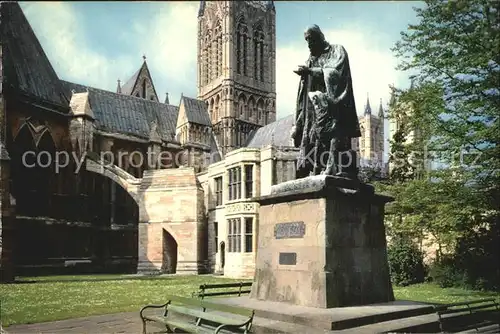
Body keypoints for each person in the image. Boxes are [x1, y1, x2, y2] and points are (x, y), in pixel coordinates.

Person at [292, 24, 361, 179]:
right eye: (306, 40)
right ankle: (316, 170)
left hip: (333, 106)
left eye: (311, 39)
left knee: (333, 135)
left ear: (320, 37)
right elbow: (303, 91)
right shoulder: (311, 59)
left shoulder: (337, 50)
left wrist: (310, 72)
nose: (309, 44)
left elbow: (336, 73)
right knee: (313, 137)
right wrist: (298, 121)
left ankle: (332, 168)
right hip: (313, 108)